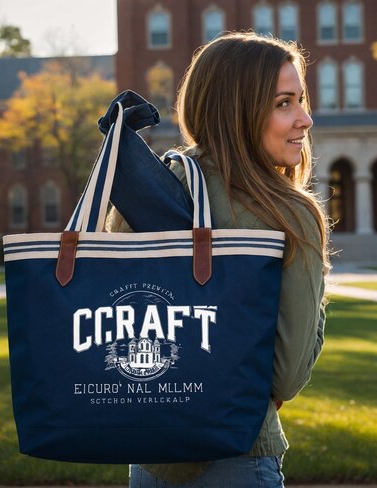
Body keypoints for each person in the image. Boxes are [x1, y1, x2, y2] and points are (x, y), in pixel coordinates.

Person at [116, 31, 329, 488]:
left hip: (150, 456)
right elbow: (288, 376)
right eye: (284, 103)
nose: (306, 119)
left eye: (302, 100)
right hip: (241, 454)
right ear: (239, 111)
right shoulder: (289, 213)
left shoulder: (149, 189)